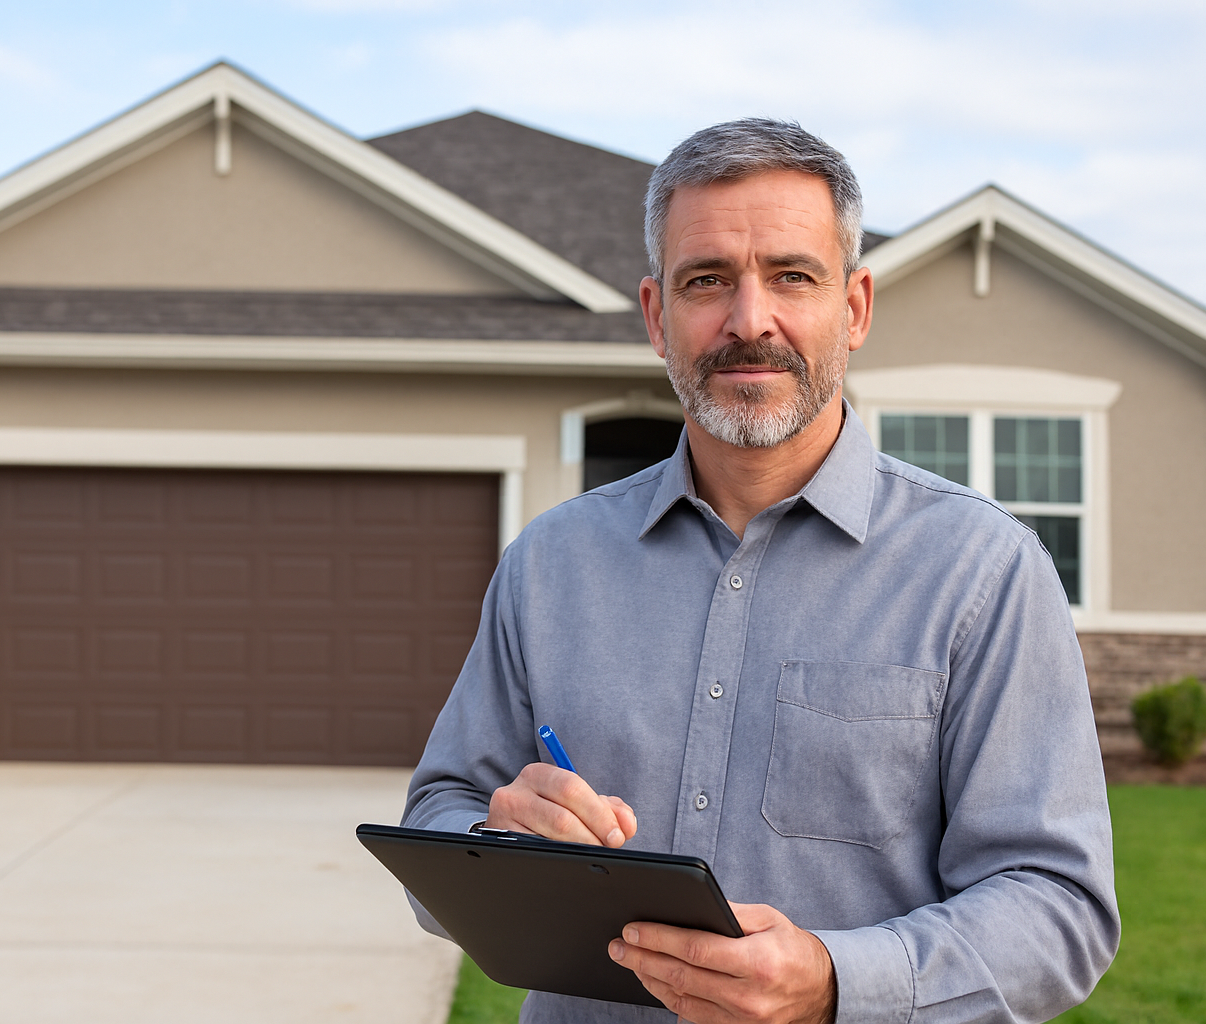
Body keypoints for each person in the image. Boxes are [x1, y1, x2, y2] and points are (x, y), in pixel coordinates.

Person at [401, 119, 1119, 1024]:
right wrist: (489, 839)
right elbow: (437, 818)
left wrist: (834, 980)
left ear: (853, 308)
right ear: (658, 315)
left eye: (792, 276)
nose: (750, 321)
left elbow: (1061, 907)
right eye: (707, 281)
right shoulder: (551, 565)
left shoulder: (983, 571)